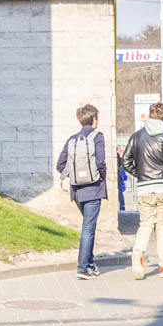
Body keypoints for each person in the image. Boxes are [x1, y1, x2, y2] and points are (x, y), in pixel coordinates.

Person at [119, 102, 163, 280]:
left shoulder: (136, 136)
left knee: (146, 224)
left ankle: (138, 252)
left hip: (144, 188)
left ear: (149, 115)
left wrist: (139, 174)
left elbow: (125, 161)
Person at [55, 104, 107, 279]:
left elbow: (60, 165)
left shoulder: (72, 139)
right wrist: (101, 176)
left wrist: (76, 176)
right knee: (88, 229)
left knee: (88, 226)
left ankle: (90, 264)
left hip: (77, 191)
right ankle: (83, 268)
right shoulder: (97, 137)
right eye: (97, 117)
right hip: (93, 189)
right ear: (93, 119)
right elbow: (100, 161)